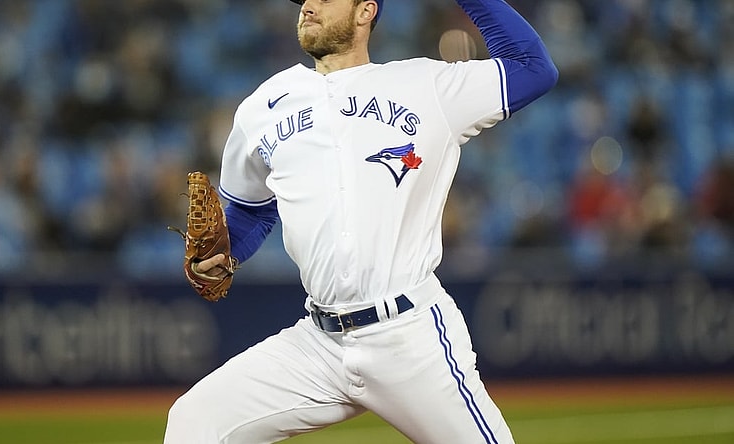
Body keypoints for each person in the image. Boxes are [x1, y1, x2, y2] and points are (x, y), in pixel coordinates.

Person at [164, 0, 557, 442]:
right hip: (320, 343)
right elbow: (250, 211)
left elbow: (533, 68)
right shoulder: (261, 108)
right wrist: (222, 251)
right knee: (195, 421)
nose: (308, 6)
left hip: (409, 336)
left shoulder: (426, 85)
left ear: (365, 11)